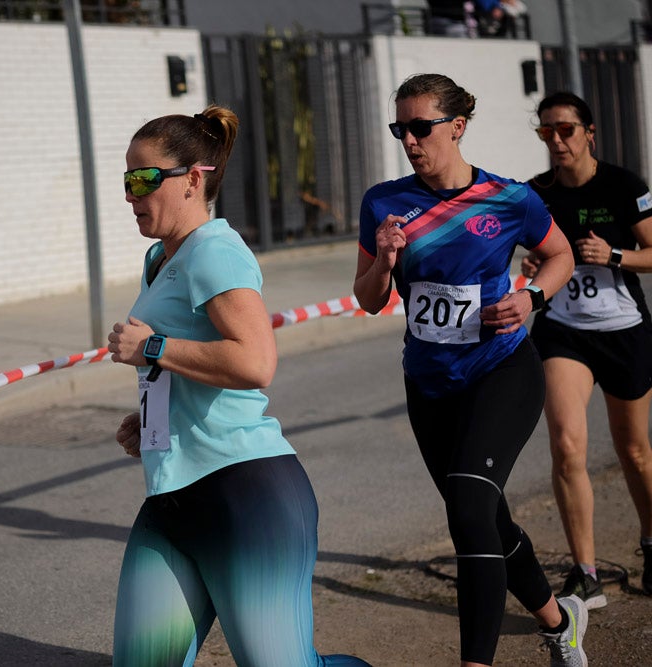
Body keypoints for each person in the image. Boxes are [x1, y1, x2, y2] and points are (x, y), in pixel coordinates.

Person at [107, 105, 371, 667]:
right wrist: (156, 419)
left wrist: (151, 348)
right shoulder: (161, 257)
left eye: (144, 178)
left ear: (194, 178)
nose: (131, 194)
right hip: (172, 497)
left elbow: (255, 362)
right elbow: (196, 360)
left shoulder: (215, 251)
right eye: (126, 180)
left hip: (245, 494)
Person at [353, 73, 583, 667]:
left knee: (468, 508)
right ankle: (560, 622)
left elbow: (560, 254)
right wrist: (384, 259)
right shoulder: (383, 202)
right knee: (483, 513)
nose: (408, 139)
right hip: (429, 382)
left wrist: (532, 297)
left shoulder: (509, 199)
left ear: (456, 127)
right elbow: (370, 298)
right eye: (399, 128)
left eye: (420, 127)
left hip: (501, 369)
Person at [522, 91, 652, 606]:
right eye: (546, 132)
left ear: (589, 132)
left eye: (565, 130)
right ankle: (586, 571)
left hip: (623, 330)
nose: (556, 140)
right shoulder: (535, 194)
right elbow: (533, 256)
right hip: (564, 332)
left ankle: (651, 542)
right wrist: (534, 268)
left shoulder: (624, 185)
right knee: (567, 444)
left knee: (634, 451)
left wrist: (614, 254)